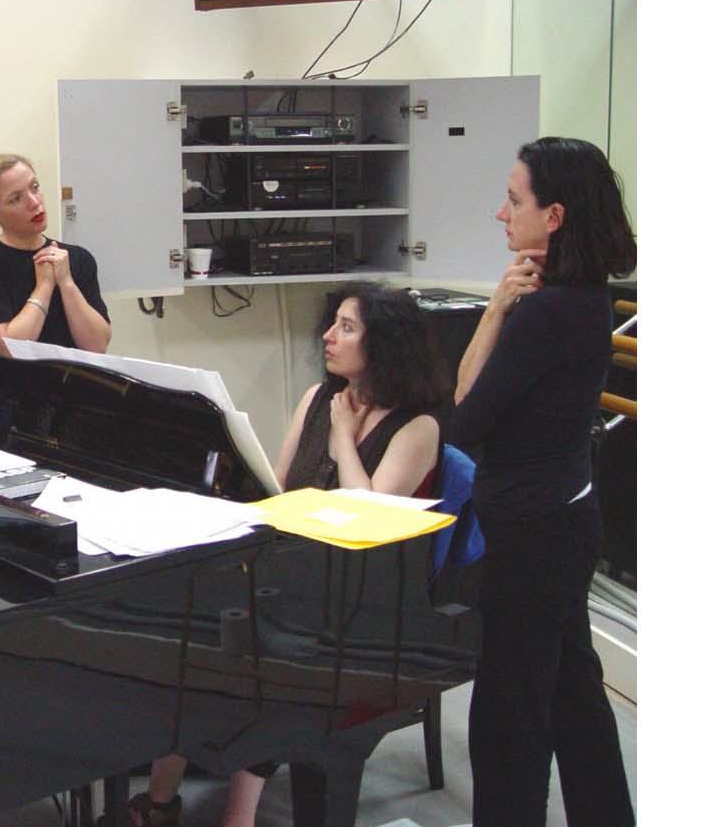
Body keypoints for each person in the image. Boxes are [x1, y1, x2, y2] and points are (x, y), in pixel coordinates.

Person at [126, 282, 447, 827]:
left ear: (385, 344)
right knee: (187, 630)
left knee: (264, 658)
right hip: (295, 575)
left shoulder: (418, 427)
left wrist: (344, 439)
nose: (327, 335)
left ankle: (236, 814)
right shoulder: (318, 399)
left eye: (346, 327)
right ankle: (160, 800)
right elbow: (277, 488)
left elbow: (368, 524)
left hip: (358, 600)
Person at [449, 136, 636, 826]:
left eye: (513, 199)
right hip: (560, 520)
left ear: (553, 216)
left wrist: (498, 314)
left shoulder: (551, 312)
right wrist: (499, 307)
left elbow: (463, 419)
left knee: (509, 711)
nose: (502, 214)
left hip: (533, 533)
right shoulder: (580, 296)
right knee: (573, 694)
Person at [0, 153, 110, 408]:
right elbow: (10, 349)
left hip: (72, 409)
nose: (34, 202)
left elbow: (96, 346)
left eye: (35, 188)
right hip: (3, 414)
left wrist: (66, 282)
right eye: (16, 198)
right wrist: (44, 286)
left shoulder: (78, 259)